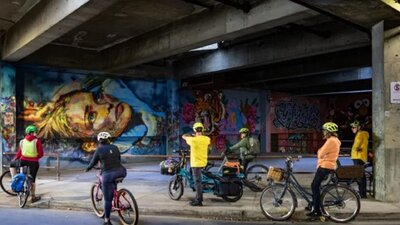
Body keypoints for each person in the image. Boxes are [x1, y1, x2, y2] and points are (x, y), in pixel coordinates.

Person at [85, 131, 127, 225]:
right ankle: (116, 196)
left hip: (108, 174)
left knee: (107, 199)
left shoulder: (99, 150)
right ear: (109, 140)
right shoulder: (115, 147)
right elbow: (118, 159)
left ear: (99, 141)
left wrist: (88, 168)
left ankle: (107, 220)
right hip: (122, 171)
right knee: (112, 185)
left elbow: (93, 162)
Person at [307, 122, 341, 218]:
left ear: (329, 132)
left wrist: (320, 152)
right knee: (316, 186)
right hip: (328, 166)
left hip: (325, 166)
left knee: (314, 186)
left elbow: (320, 154)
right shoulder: (335, 140)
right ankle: (314, 205)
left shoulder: (331, 141)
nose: (323, 132)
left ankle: (316, 210)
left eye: (324, 131)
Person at [10, 125, 44, 203]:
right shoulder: (37, 141)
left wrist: (15, 159)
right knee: (32, 179)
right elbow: (41, 154)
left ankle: (14, 179)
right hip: (34, 162)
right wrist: (36, 157)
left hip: (23, 161)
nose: (36, 134)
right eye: (35, 132)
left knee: (12, 165)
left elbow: (19, 153)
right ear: (32, 133)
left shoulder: (22, 141)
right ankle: (33, 197)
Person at [182, 122, 210, 206]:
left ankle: (199, 200)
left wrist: (190, 136)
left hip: (196, 164)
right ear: (202, 129)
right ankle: (198, 197)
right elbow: (203, 139)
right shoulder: (206, 139)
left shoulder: (193, 140)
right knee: (198, 180)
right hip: (203, 162)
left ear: (194, 130)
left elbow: (184, 137)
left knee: (198, 182)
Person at [350, 120, 369, 198]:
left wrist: (355, 149)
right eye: (352, 127)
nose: (352, 129)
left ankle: (362, 193)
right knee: (361, 175)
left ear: (359, 127)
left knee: (359, 175)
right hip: (360, 156)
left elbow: (356, 145)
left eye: (354, 127)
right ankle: (362, 192)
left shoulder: (360, 134)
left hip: (358, 156)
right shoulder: (362, 134)